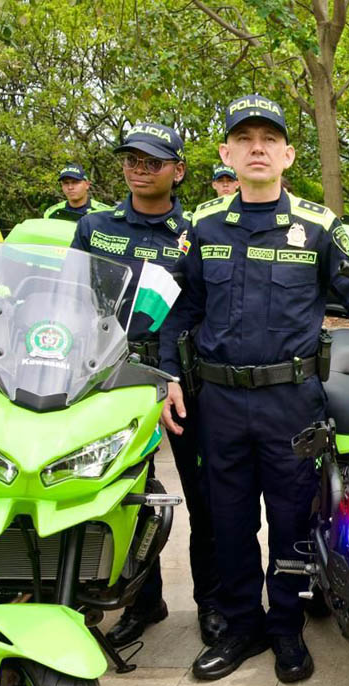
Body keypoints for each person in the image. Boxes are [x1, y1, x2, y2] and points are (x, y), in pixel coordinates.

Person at [159, 94, 349, 684]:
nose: (257, 148)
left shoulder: (319, 226)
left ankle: (287, 626)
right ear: (227, 154)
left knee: (292, 521)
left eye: (269, 139)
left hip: (291, 403)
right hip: (217, 402)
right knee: (228, 521)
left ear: (288, 154)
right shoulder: (201, 226)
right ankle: (242, 625)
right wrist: (166, 375)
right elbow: (178, 308)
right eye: (245, 139)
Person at [70, 123, 226, 649]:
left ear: (178, 171)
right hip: (110, 377)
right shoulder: (95, 225)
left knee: (203, 498)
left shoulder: (197, 230)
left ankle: (212, 602)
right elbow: (75, 301)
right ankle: (142, 600)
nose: (140, 169)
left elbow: (204, 308)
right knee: (126, 494)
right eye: (132, 160)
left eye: (153, 161)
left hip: (186, 379)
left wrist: (169, 375)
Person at [44, 163, 112, 221]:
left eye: (75, 182)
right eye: (66, 183)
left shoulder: (105, 212)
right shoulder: (52, 212)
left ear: (87, 185)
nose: (70, 187)